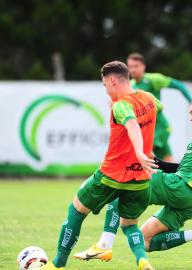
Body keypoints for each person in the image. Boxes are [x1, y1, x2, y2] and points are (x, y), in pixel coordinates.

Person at [74, 95, 192, 262]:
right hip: (191, 201)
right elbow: (180, 168)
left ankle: (104, 245)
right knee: (145, 240)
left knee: (126, 184)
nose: (191, 117)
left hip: (181, 187)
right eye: (189, 113)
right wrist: (155, 162)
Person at [42, 61, 161, 270]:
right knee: (130, 225)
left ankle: (57, 264)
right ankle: (142, 260)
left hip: (111, 175)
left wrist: (140, 152)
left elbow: (132, 124)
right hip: (141, 178)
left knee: (76, 210)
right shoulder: (148, 98)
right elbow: (158, 108)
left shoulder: (121, 105)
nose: (106, 89)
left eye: (105, 85)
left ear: (113, 81)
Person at [127, 52, 192, 161]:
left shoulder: (153, 79)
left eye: (136, 66)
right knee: (167, 160)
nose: (133, 69)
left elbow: (178, 85)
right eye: (130, 66)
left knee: (145, 154)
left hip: (160, 127)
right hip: (146, 128)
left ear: (143, 67)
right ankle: (181, 176)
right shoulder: (130, 85)